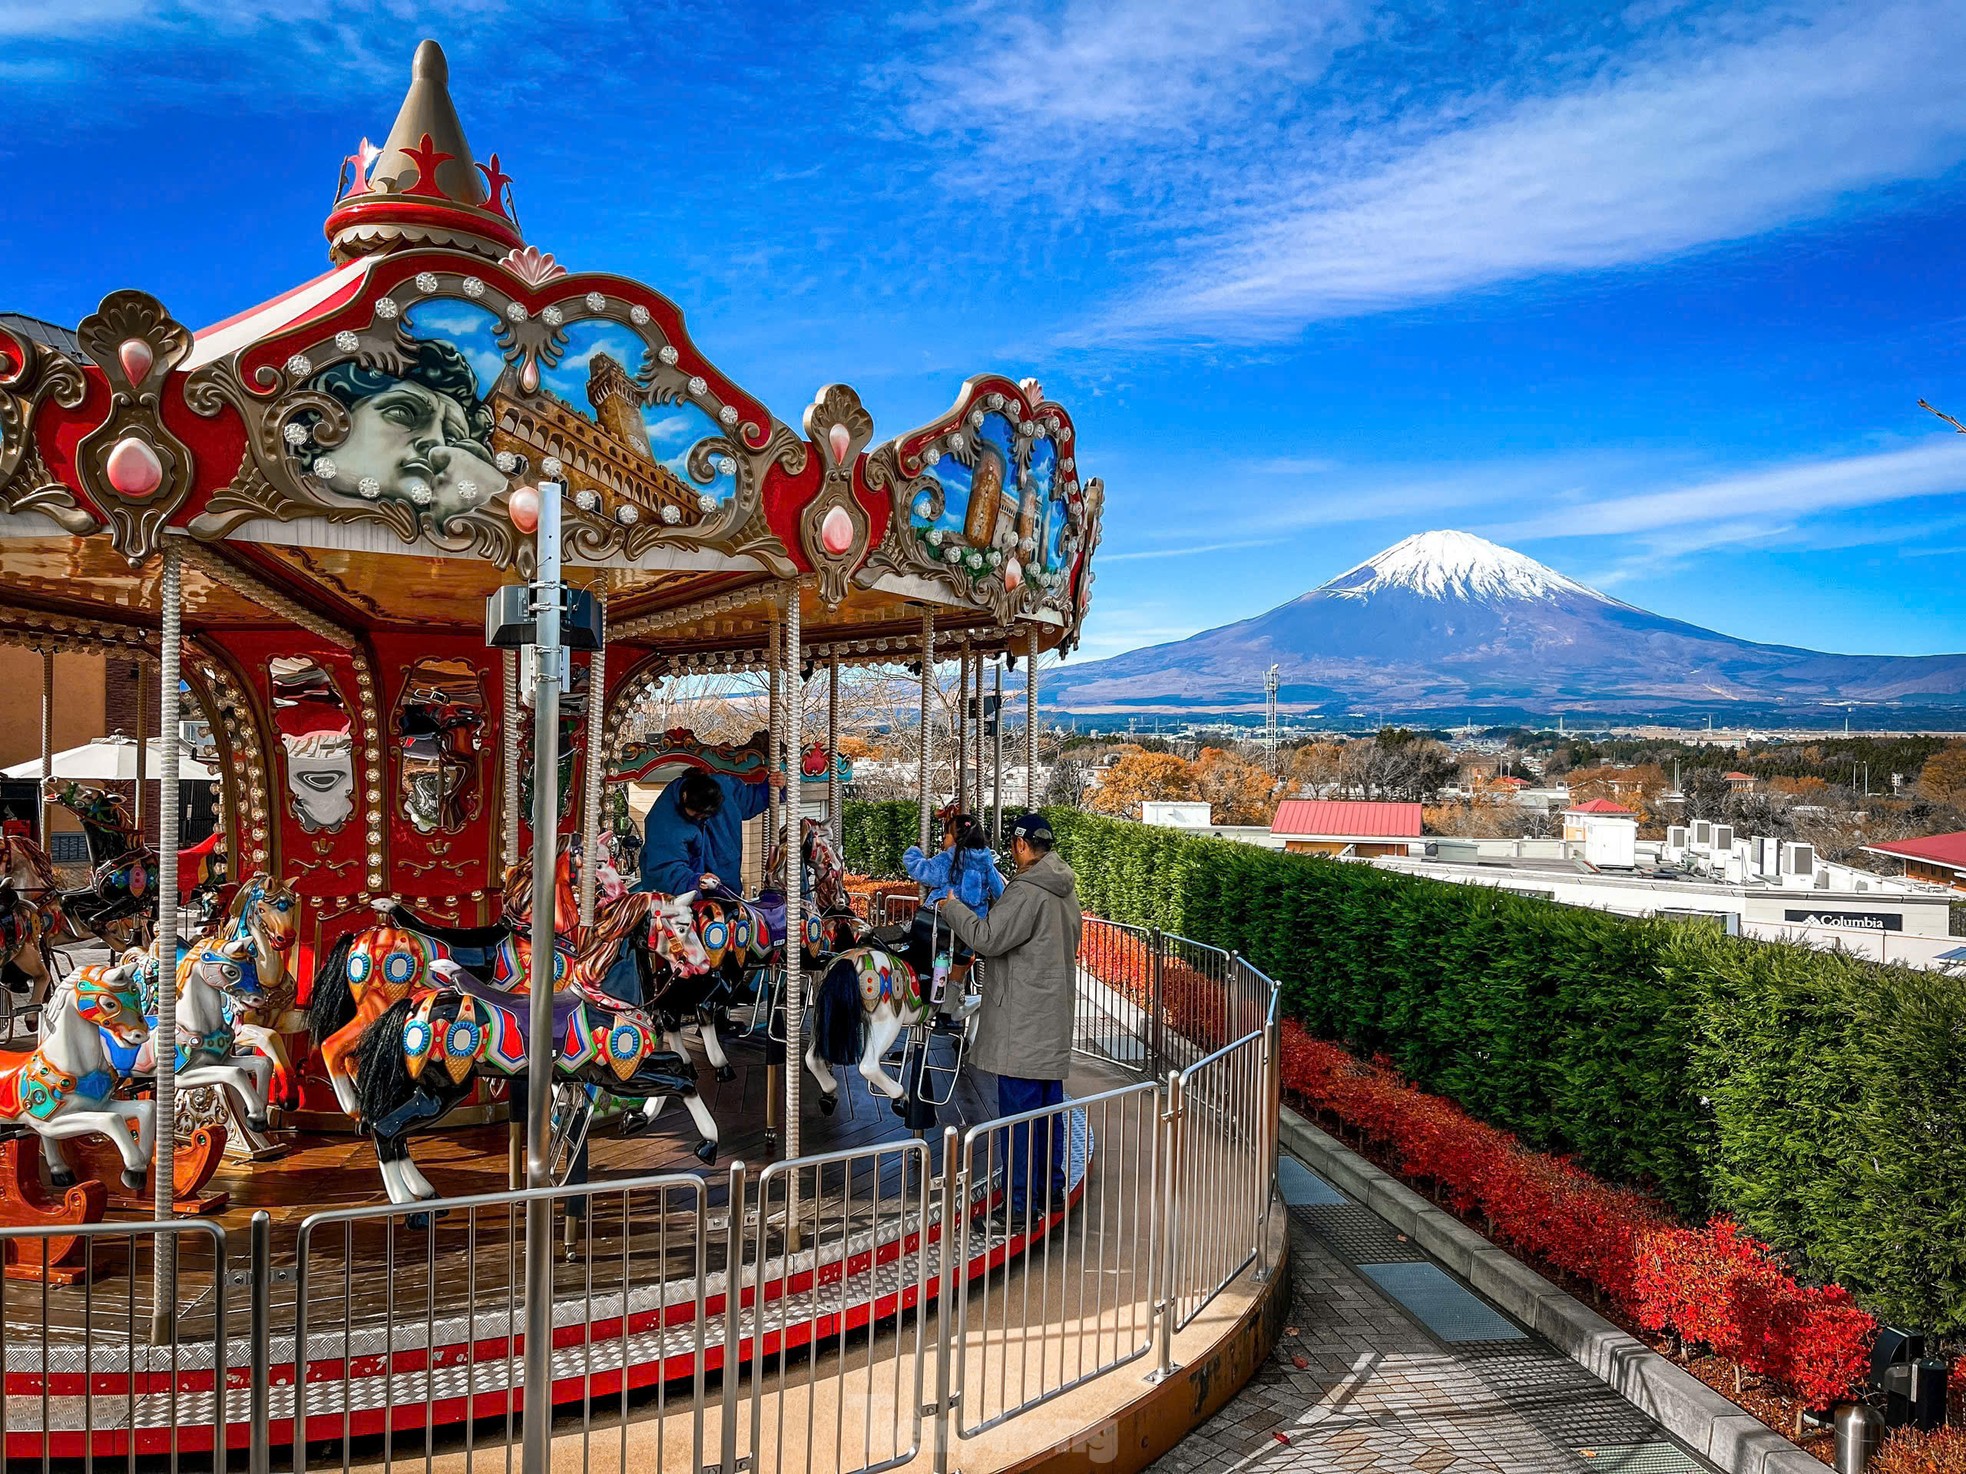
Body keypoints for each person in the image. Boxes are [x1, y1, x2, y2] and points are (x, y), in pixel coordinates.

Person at [935, 812, 1080, 1222]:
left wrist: (952, 908)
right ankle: (1051, 1190)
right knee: (1048, 1113)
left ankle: (1017, 1206)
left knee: (1017, 1118)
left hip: (1022, 1022)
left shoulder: (1027, 891)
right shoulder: (1065, 889)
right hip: (1051, 1018)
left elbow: (987, 937)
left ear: (1019, 846)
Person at [901, 813, 1005, 998]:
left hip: (943, 921)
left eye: (946, 835)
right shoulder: (986, 861)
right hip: (971, 927)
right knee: (960, 963)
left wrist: (913, 852)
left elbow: (922, 871)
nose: (944, 840)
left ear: (956, 839)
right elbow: (1000, 890)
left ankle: (927, 990)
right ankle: (951, 1006)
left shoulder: (949, 859)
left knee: (922, 945)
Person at [636, 767, 783, 898]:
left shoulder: (725, 788)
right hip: (685, 898)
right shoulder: (665, 819)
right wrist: (694, 881)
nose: (700, 818)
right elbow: (664, 864)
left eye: (706, 816)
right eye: (695, 815)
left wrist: (773, 786)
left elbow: (750, 800)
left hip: (727, 888)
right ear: (685, 796)